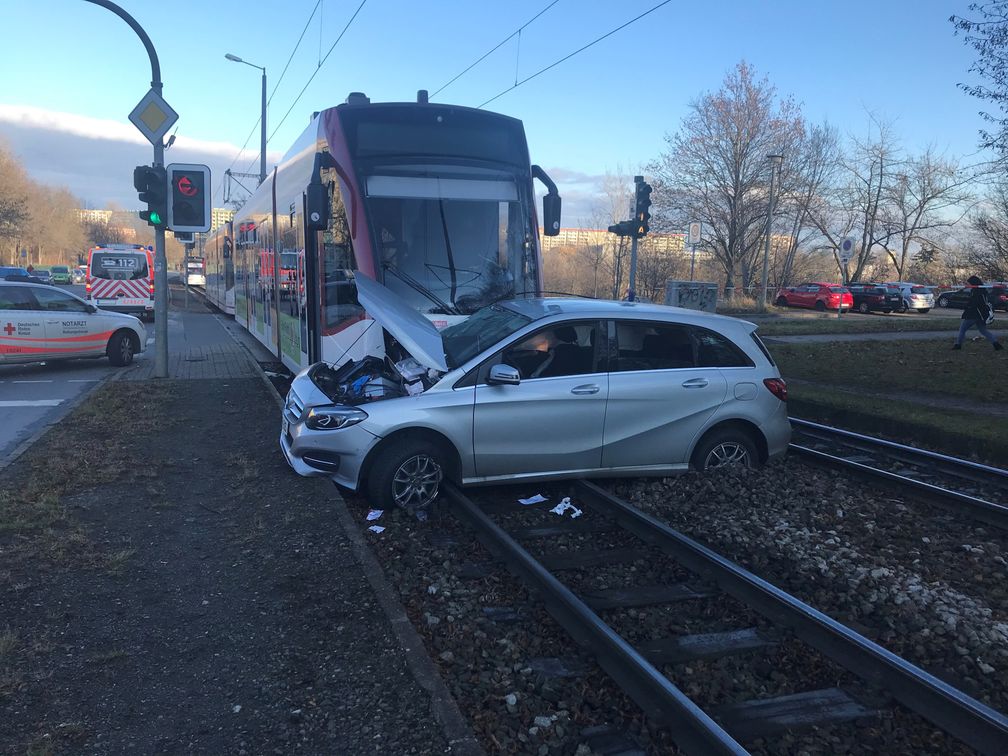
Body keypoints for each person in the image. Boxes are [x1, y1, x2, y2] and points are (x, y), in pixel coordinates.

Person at [952, 275, 1002, 351]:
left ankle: (958, 345)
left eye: (969, 283)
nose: (968, 285)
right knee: (983, 331)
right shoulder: (983, 291)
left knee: (962, 329)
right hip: (981, 315)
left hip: (972, 315)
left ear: (973, 283)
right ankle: (996, 344)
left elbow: (973, 304)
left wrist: (967, 305)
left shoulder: (976, 292)